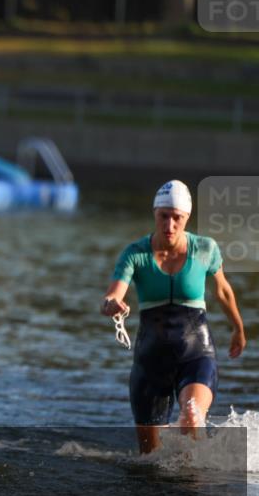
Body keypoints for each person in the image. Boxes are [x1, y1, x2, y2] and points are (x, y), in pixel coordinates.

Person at [101, 180, 246, 454]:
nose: (169, 225)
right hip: (150, 362)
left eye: (176, 218)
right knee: (149, 459)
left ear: (187, 217)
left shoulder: (205, 248)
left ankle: (196, 483)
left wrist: (238, 328)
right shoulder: (136, 254)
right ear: (154, 214)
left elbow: (223, 291)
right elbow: (113, 295)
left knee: (192, 416)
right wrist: (112, 304)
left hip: (195, 354)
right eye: (163, 217)